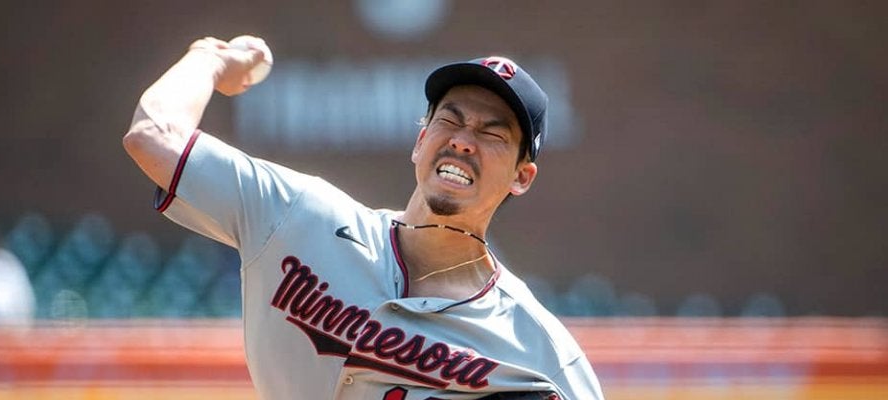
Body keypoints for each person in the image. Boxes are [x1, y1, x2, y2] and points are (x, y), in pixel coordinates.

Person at [123, 35, 604, 400]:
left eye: (492, 133)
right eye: (449, 120)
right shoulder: (298, 217)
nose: (462, 141)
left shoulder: (541, 354)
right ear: (421, 141)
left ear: (522, 176)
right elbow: (152, 137)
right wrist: (210, 57)